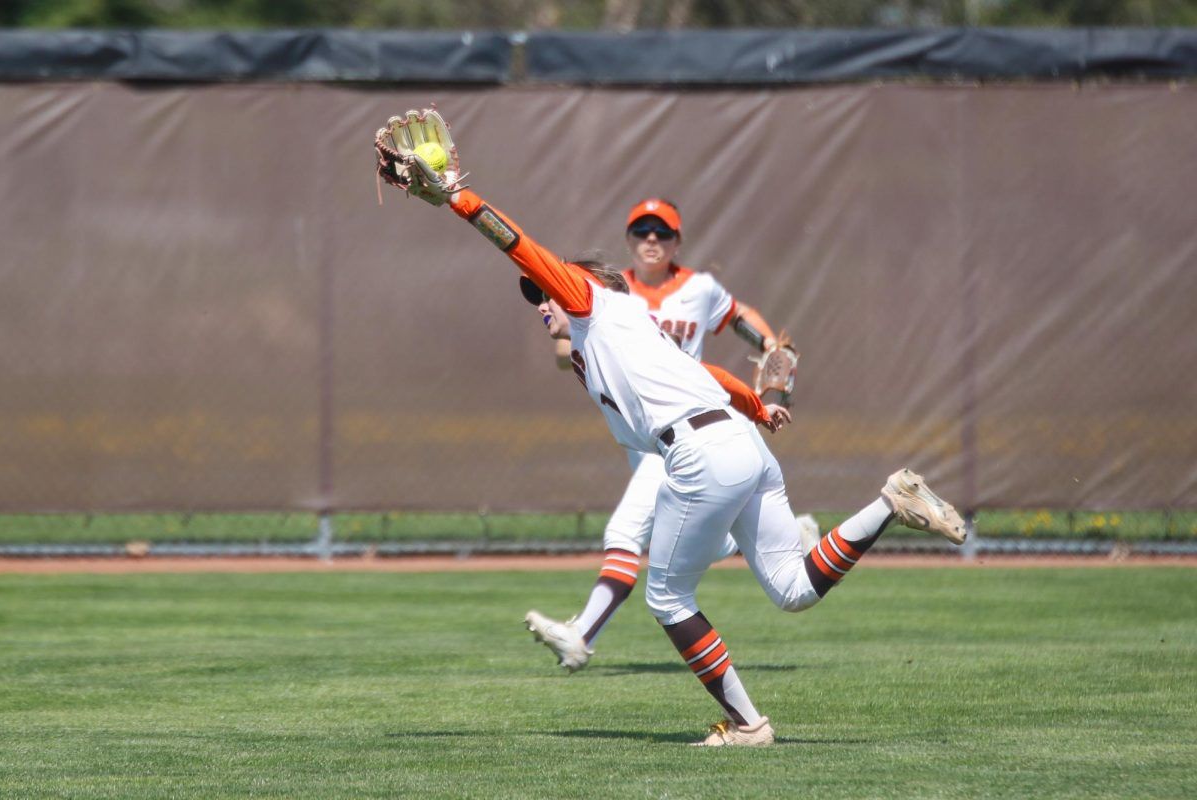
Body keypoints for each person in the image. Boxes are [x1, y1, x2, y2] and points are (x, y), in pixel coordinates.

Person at [387, 165, 967, 747]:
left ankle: (748, 725)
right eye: (536, 299)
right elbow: (707, 371)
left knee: (666, 596)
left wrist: (459, 197)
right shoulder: (621, 333)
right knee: (792, 589)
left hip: (699, 451)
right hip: (741, 442)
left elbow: (519, 247)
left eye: (545, 294)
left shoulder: (593, 303)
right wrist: (759, 409)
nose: (541, 303)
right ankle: (891, 500)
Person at [526, 199, 815, 674]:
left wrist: (773, 356)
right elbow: (566, 348)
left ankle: (581, 635)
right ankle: (761, 539)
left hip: (690, 423)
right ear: (629, 240)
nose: (652, 240)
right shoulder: (605, 292)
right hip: (654, 438)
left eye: (662, 232)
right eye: (642, 231)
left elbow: (751, 328)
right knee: (672, 538)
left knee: (626, 532)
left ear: (677, 241)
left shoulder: (698, 289)